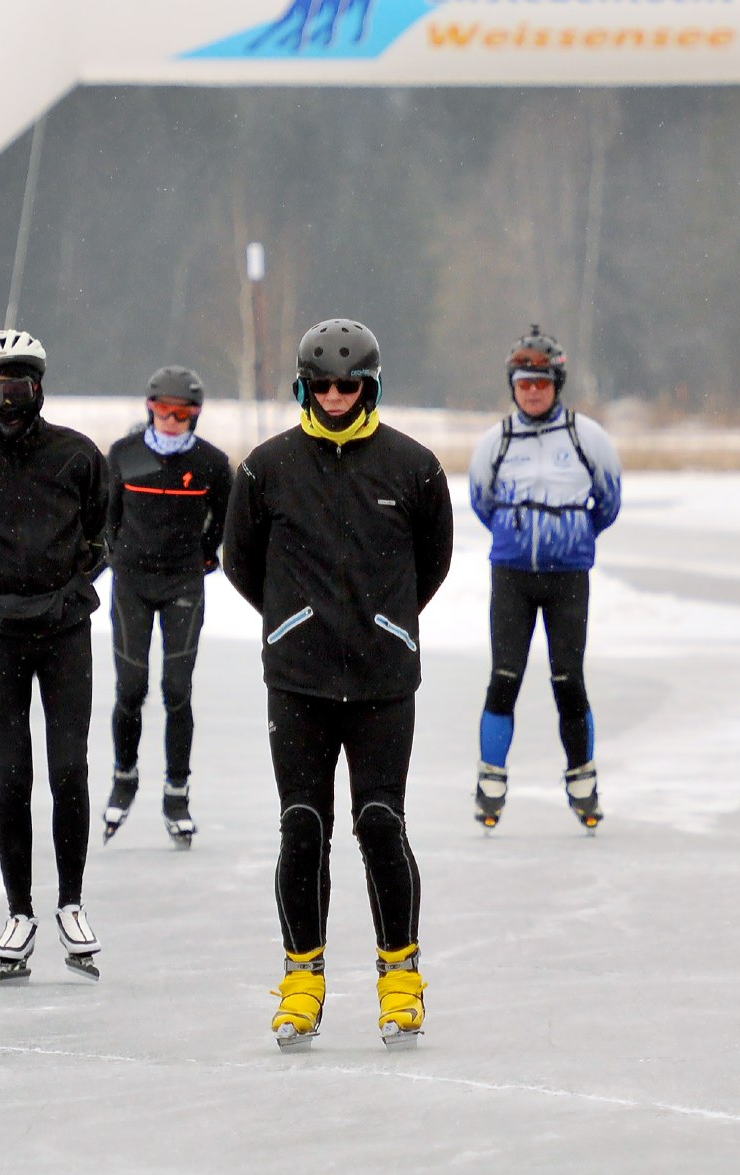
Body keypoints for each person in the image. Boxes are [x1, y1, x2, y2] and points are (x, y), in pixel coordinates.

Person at [224, 319, 454, 1049]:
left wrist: (384, 621)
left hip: (385, 681)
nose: (333, 395)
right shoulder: (265, 469)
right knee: (303, 826)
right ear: (301, 385)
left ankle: (401, 979)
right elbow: (240, 562)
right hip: (299, 681)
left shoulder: (414, 468)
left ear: (371, 386)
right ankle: (302, 980)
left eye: (347, 384)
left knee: (381, 823)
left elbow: (434, 562)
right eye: (320, 383)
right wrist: (292, 620)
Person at [0, 330, 112, 984]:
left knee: (69, 767)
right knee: (11, 771)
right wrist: (1, 588)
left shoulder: (77, 456)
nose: (11, 403)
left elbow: (103, 530)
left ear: (41, 389)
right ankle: (19, 911)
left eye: (23, 388)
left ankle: (70, 902)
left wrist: (67, 585)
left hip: (66, 630)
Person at [468, 325, 623, 833]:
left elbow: (609, 502)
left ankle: (582, 781)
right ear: (512, 385)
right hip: (512, 575)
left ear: (557, 383)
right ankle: (491, 781)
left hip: (567, 579)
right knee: (504, 678)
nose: (531, 391)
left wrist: (570, 537)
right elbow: (481, 502)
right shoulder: (496, 440)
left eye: (541, 382)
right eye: (523, 382)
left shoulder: (587, 437)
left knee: (567, 682)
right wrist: (519, 535)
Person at [100, 366, 231, 847]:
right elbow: (108, 516)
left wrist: (204, 554)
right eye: (163, 411)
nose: (172, 421)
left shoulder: (213, 462)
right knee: (131, 688)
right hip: (133, 582)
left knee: (177, 688)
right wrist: (116, 556)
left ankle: (177, 793)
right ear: (149, 409)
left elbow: (225, 519)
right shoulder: (125, 455)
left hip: (182, 583)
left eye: (183, 413)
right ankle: (124, 778)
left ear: (195, 415)